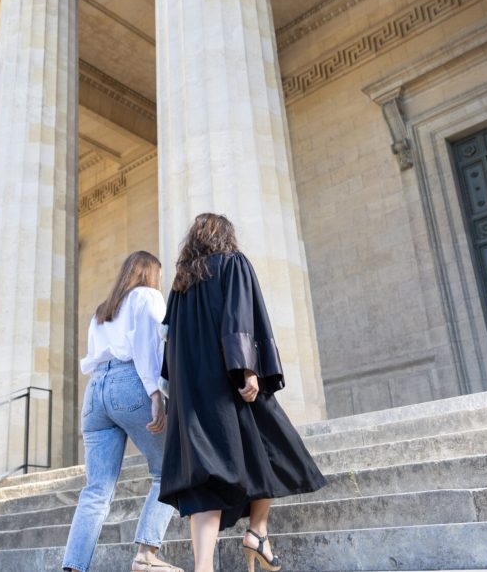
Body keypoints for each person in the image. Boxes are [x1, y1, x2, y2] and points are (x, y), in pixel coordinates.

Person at [158, 213, 327, 572]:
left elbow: (168, 341)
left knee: (206, 478)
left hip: (193, 394)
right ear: (225, 236)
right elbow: (239, 316)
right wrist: (247, 368)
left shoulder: (181, 285)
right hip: (228, 383)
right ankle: (258, 530)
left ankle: (206, 566)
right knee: (271, 445)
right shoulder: (232, 263)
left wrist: (172, 392)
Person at [62, 251, 183, 572]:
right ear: (150, 274)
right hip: (130, 383)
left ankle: (74, 567)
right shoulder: (147, 296)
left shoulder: (102, 311)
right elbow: (148, 346)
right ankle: (146, 554)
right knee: (171, 468)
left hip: (95, 393)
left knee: (97, 489)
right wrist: (156, 393)